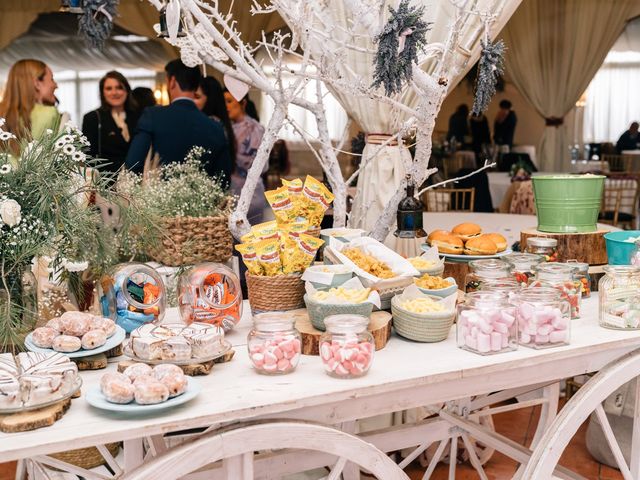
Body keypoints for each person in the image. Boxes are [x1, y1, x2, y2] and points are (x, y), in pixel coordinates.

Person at [125, 59, 232, 184]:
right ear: (196, 86)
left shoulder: (153, 116)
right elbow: (223, 179)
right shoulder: (216, 127)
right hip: (200, 201)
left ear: (172, 82)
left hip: (157, 199)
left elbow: (133, 164)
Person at [82, 71, 139, 173]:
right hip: (105, 183)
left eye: (119, 87)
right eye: (109, 88)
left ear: (127, 90)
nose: (114, 92)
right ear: (102, 93)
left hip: (135, 181)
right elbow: (88, 158)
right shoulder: (92, 118)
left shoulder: (139, 116)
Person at [224, 90, 266, 224]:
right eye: (223, 102)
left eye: (229, 101)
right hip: (231, 193)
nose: (226, 106)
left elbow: (262, 165)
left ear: (243, 103)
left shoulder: (255, 128)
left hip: (251, 194)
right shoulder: (225, 128)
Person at [0, 59, 59, 143]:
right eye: (52, 79)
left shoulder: (2, 112)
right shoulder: (49, 113)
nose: (56, 85)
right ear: (37, 84)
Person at [194, 76, 236, 162]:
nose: (192, 101)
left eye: (197, 97)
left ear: (210, 99)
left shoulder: (210, 124)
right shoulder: (219, 123)